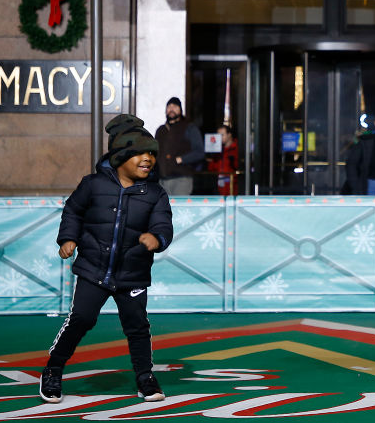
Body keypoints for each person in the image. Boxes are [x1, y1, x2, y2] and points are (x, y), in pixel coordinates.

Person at [39, 113, 174, 404]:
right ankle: (53, 369)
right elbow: (73, 211)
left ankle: (145, 377)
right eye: (140, 153)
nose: (148, 159)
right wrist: (68, 238)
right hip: (93, 269)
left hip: (133, 273)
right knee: (82, 318)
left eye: (151, 153)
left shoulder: (155, 194)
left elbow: (163, 224)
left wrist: (157, 238)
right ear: (120, 156)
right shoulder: (93, 185)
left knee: (137, 326)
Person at [155, 96, 204, 195]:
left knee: (179, 205)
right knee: (163, 205)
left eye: (175, 106)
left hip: (181, 179)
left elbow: (200, 152)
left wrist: (181, 159)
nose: (171, 109)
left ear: (180, 110)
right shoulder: (161, 130)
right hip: (162, 180)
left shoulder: (189, 127)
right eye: (169, 107)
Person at [207, 124, 239, 196]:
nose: (219, 138)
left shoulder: (237, 148)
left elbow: (239, 167)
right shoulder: (217, 150)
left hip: (234, 185)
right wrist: (211, 157)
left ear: (229, 135)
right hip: (219, 185)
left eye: (222, 135)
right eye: (218, 136)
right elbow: (211, 169)